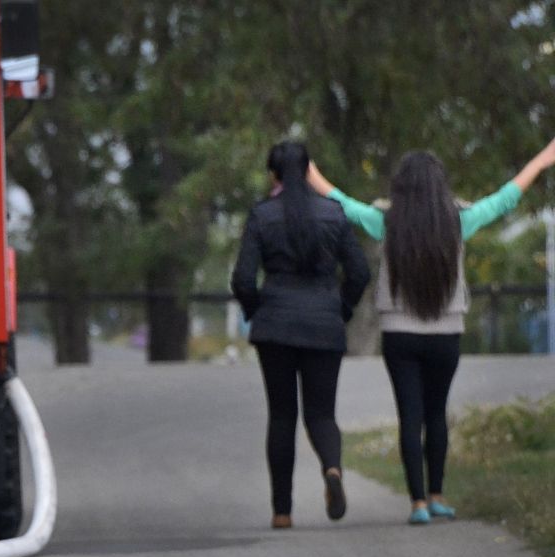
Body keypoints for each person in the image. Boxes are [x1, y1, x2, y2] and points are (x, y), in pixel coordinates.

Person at [308, 138, 555, 524]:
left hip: (399, 334)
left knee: (410, 415)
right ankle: (438, 495)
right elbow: (505, 198)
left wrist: (309, 172)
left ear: (401, 187)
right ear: (441, 185)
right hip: (446, 334)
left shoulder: (386, 221)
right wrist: (541, 160)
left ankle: (418, 503)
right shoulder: (458, 219)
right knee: (437, 413)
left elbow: (343, 203)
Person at [231, 141, 371, 530]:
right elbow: (359, 273)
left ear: (273, 175)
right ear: (310, 171)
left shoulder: (262, 216)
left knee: (281, 415)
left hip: (275, 326)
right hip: (324, 323)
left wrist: (257, 310)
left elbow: (242, 278)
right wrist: (339, 310)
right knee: (322, 413)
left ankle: (282, 511)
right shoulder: (334, 214)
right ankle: (332, 469)